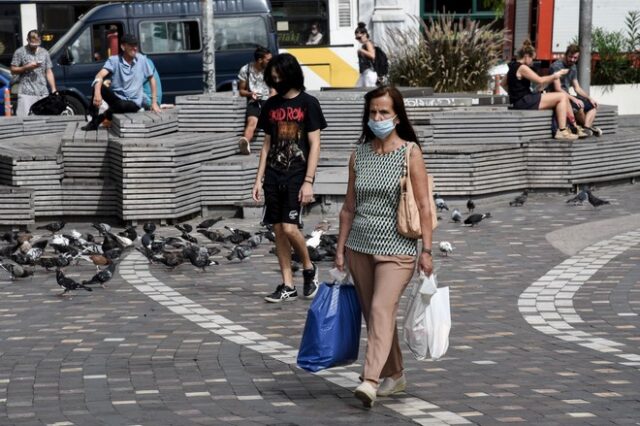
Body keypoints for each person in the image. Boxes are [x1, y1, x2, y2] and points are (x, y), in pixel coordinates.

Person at [334, 85, 434, 408]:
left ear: (397, 116)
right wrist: (340, 248)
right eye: (372, 112)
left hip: (398, 248)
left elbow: (423, 205)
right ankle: (396, 373)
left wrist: (427, 250)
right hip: (359, 245)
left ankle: (370, 380)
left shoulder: (410, 153)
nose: (377, 118)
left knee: (380, 309)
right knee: (377, 314)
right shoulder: (358, 154)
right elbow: (349, 206)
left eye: (384, 113)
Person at [251, 53, 327, 303]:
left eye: (278, 77)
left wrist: (309, 180)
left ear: (291, 75)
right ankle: (287, 284)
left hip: (297, 174)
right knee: (278, 230)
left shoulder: (309, 103)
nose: (275, 81)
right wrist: (258, 178)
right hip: (273, 175)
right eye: (272, 78)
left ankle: (308, 267)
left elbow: (315, 144)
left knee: (289, 227)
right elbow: (266, 144)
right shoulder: (271, 106)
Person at [501, 40, 582, 141]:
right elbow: (540, 80)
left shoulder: (512, 66)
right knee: (562, 96)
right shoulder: (522, 68)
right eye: (532, 59)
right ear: (526, 56)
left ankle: (568, 127)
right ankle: (562, 131)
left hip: (519, 101)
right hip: (525, 101)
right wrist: (556, 75)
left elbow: (503, 84)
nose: (532, 62)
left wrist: (513, 93)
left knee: (560, 98)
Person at [82, 34, 160, 131]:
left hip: (133, 103)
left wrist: (154, 102)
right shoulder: (114, 60)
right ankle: (93, 118)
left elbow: (151, 78)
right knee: (97, 85)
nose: (135, 48)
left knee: (122, 104)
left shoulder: (142, 59)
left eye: (136, 45)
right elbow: (99, 76)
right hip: (117, 100)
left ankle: (100, 119)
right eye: (131, 45)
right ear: (123, 47)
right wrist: (97, 93)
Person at [548, 44, 602, 136]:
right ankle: (586, 128)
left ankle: (586, 128)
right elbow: (557, 89)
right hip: (558, 97)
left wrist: (589, 98)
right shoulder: (556, 66)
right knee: (579, 107)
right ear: (566, 55)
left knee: (593, 106)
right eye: (570, 57)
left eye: (575, 58)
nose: (572, 60)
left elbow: (577, 88)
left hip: (568, 96)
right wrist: (574, 99)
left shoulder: (573, 67)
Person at [10, 30, 57, 117]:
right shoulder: (20, 52)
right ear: (27, 40)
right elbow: (13, 70)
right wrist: (26, 67)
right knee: (23, 120)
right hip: (25, 93)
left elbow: (49, 71)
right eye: (32, 44)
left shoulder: (44, 52)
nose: (34, 46)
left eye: (37, 44)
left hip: (42, 92)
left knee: (43, 121)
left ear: (40, 41)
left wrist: (53, 89)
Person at [237, 47, 274, 155]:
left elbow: (274, 89)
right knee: (252, 122)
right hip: (254, 101)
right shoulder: (246, 70)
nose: (271, 61)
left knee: (273, 122)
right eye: (268, 60)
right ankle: (245, 142)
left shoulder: (271, 70)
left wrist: (272, 101)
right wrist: (250, 94)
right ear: (260, 60)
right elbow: (241, 91)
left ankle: (275, 147)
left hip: (268, 100)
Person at [355, 22, 377, 88]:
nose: (358, 40)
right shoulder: (364, 45)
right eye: (356, 38)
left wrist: (361, 50)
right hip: (364, 73)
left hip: (369, 73)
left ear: (364, 34)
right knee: (357, 90)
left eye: (359, 38)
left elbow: (372, 55)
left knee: (369, 92)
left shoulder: (368, 43)